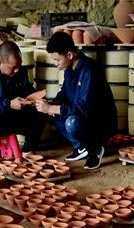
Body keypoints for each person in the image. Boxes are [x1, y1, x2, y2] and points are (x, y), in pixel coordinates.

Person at [35, 31, 117, 171]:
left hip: (99, 122)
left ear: (70, 55)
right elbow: (65, 93)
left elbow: (84, 108)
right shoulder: (69, 69)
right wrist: (52, 103)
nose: (55, 64)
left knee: (71, 122)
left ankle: (95, 149)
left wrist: (51, 108)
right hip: (83, 116)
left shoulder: (89, 70)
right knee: (51, 113)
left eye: (57, 60)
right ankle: (81, 147)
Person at [0, 41, 44, 161]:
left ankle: (28, 150)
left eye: (19, 65)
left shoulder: (20, 71)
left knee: (40, 112)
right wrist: (8, 104)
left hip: (11, 118)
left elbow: (27, 91)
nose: (17, 70)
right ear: (0, 62)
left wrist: (38, 98)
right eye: (13, 67)